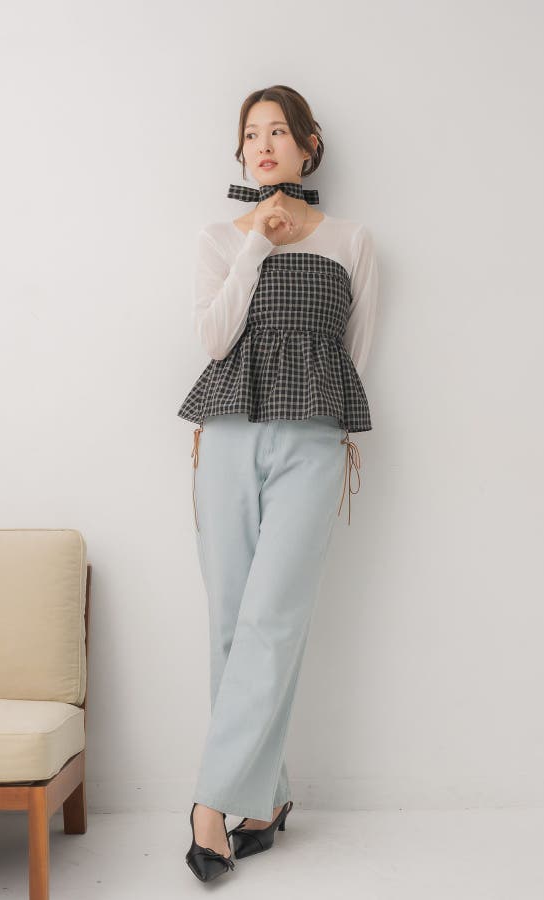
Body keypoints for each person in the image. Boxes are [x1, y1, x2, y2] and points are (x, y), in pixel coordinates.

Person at [177, 85, 380, 882]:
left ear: (308, 145)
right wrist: (257, 244)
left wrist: (324, 428)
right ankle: (266, 798)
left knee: (273, 620)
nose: (262, 145)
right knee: (232, 622)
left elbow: (356, 352)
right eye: (250, 134)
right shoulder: (217, 238)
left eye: (278, 132)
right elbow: (213, 338)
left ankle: (209, 804)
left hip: (314, 440)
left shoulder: (353, 240)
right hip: (227, 435)